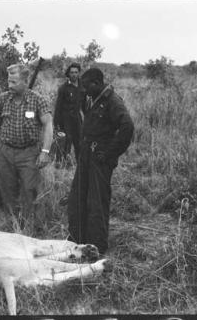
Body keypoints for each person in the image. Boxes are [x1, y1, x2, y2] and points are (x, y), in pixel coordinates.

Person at [66, 67, 134, 255]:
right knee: (78, 198)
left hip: (100, 158)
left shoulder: (112, 101)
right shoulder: (91, 99)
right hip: (86, 155)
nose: (84, 89)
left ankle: (97, 248)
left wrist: (110, 153)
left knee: (97, 202)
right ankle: (77, 242)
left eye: (87, 86)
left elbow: (127, 126)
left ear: (97, 83)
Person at [0, 64, 53, 228]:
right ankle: (12, 224)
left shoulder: (38, 100)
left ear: (25, 81)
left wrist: (45, 152)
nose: (10, 86)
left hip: (29, 153)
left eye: (14, 82)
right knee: (7, 190)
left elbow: (48, 125)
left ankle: (28, 228)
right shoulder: (3, 99)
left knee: (29, 191)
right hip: (5, 152)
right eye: (9, 82)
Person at [53, 62, 85, 166]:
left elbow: (85, 105)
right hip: (66, 119)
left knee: (79, 142)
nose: (74, 74)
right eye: (72, 72)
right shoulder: (64, 88)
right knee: (66, 141)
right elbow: (58, 107)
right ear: (68, 74)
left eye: (76, 72)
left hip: (77, 118)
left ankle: (80, 164)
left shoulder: (83, 87)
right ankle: (62, 164)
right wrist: (56, 123)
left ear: (79, 73)